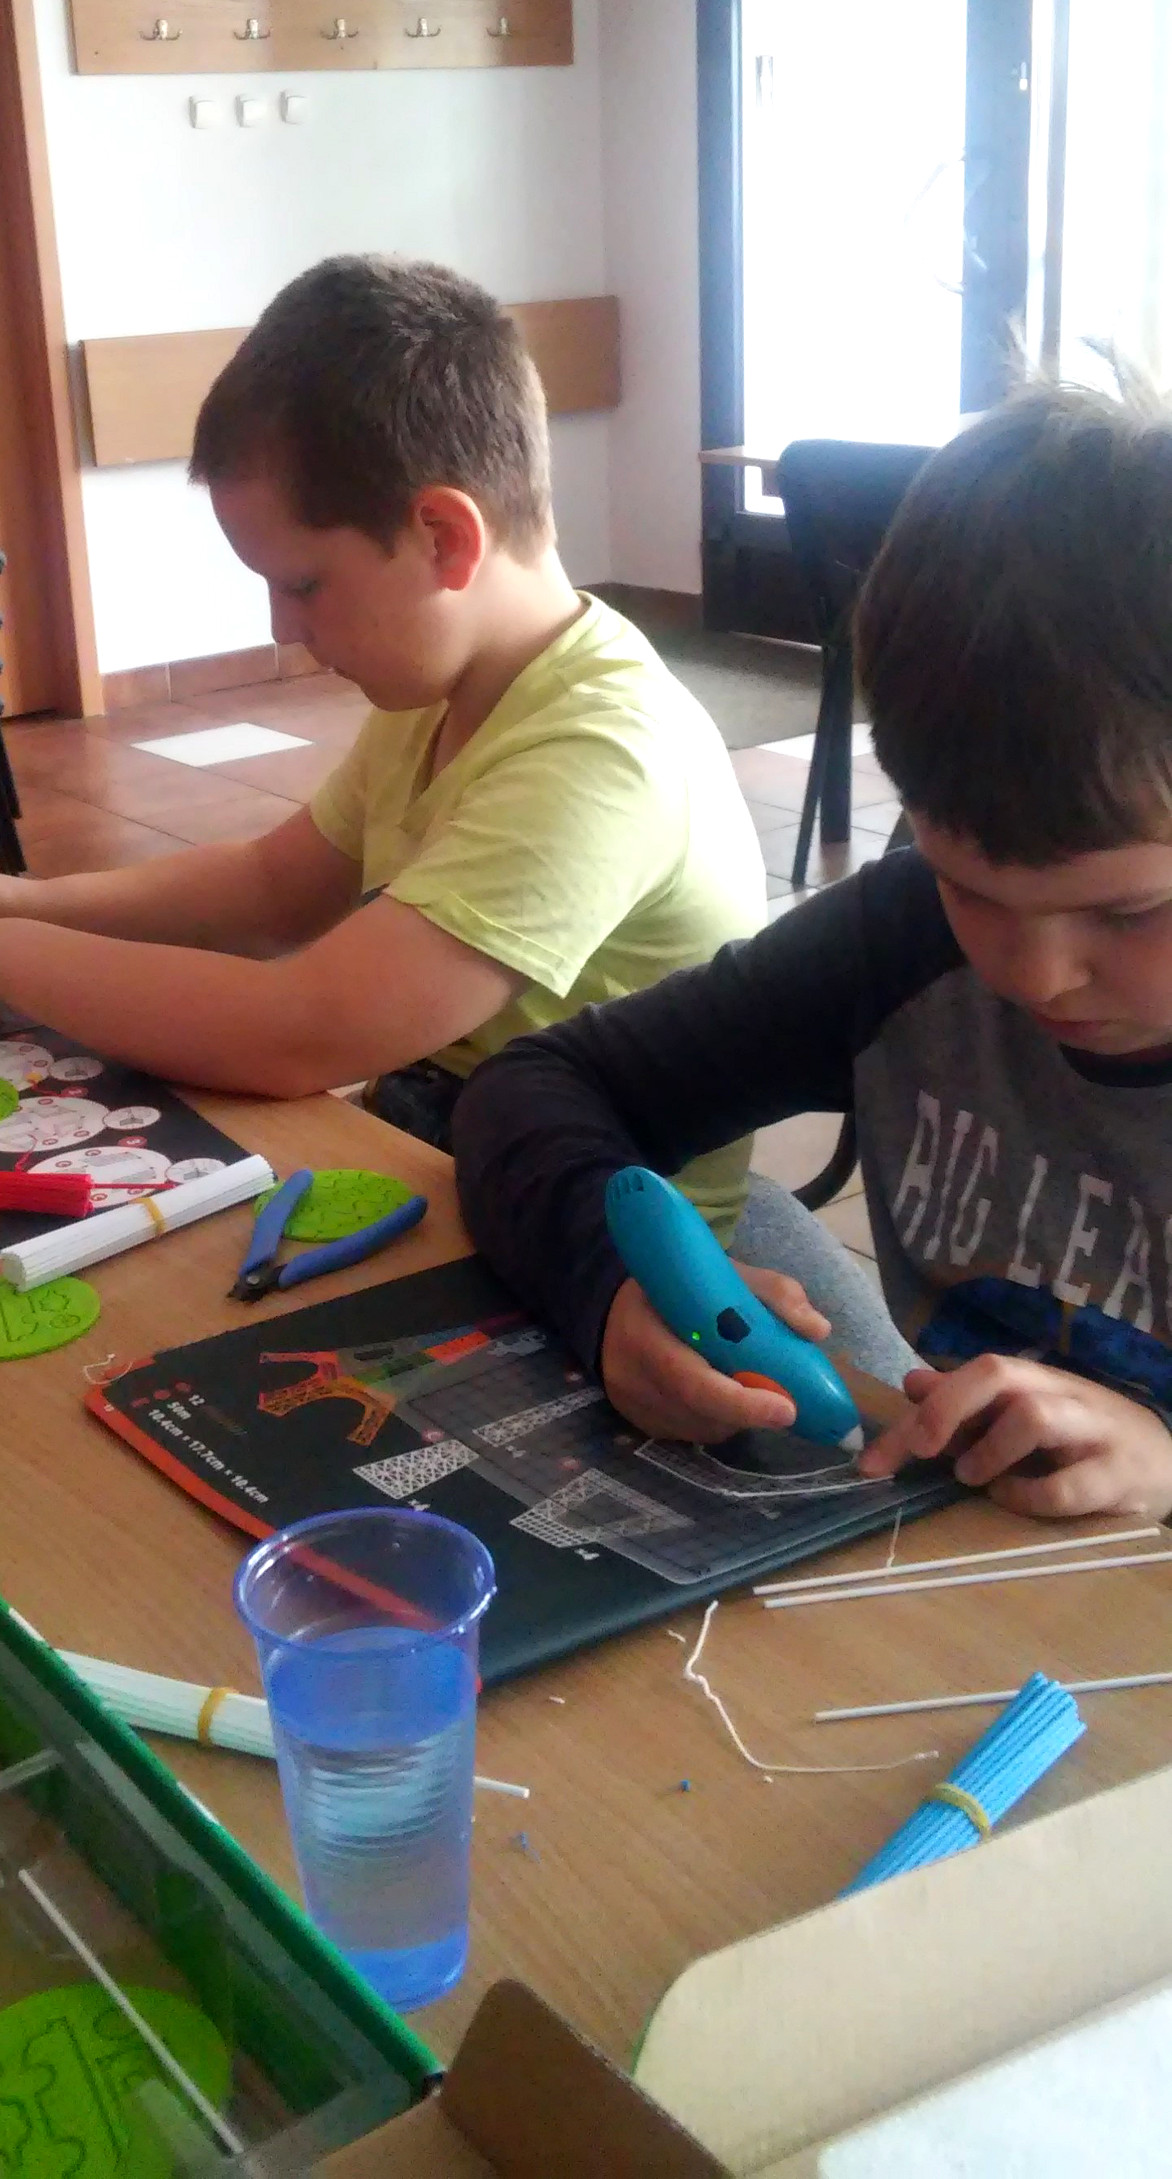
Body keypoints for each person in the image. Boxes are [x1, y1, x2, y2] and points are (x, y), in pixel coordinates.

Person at [0, 254, 785, 1253]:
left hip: (607, 1246)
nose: (281, 628)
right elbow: (273, 889)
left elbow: (304, 1031)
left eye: (303, 585)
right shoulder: (444, 687)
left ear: (444, 537)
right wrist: (28, 904)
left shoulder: (600, 751)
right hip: (459, 1153)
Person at [454, 371, 1172, 1522]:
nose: (1033, 974)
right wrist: (612, 1294)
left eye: (1129, 913)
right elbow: (534, 1087)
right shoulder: (900, 940)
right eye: (969, 886)